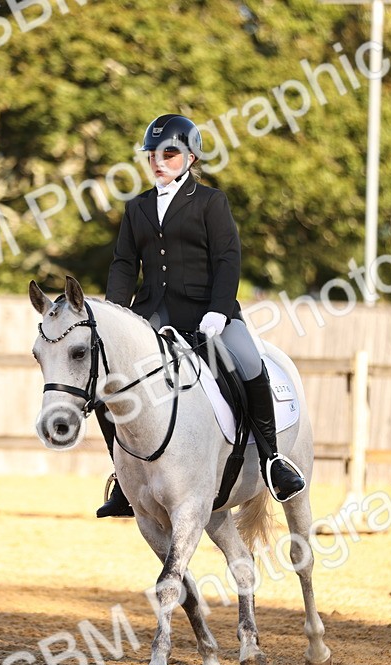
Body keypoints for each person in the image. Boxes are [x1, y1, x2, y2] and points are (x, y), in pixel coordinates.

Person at [96, 113, 306, 517]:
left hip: (211, 313)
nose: (158, 161)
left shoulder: (211, 202)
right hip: (152, 317)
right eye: (152, 155)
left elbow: (228, 259)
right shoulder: (137, 207)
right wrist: (115, 315)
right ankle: (123, 480)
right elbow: (124, 264)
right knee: (111, 388)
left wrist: (218, 311)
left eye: (169, 153)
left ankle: (272, 460)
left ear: (191, 157)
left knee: (249, 365)